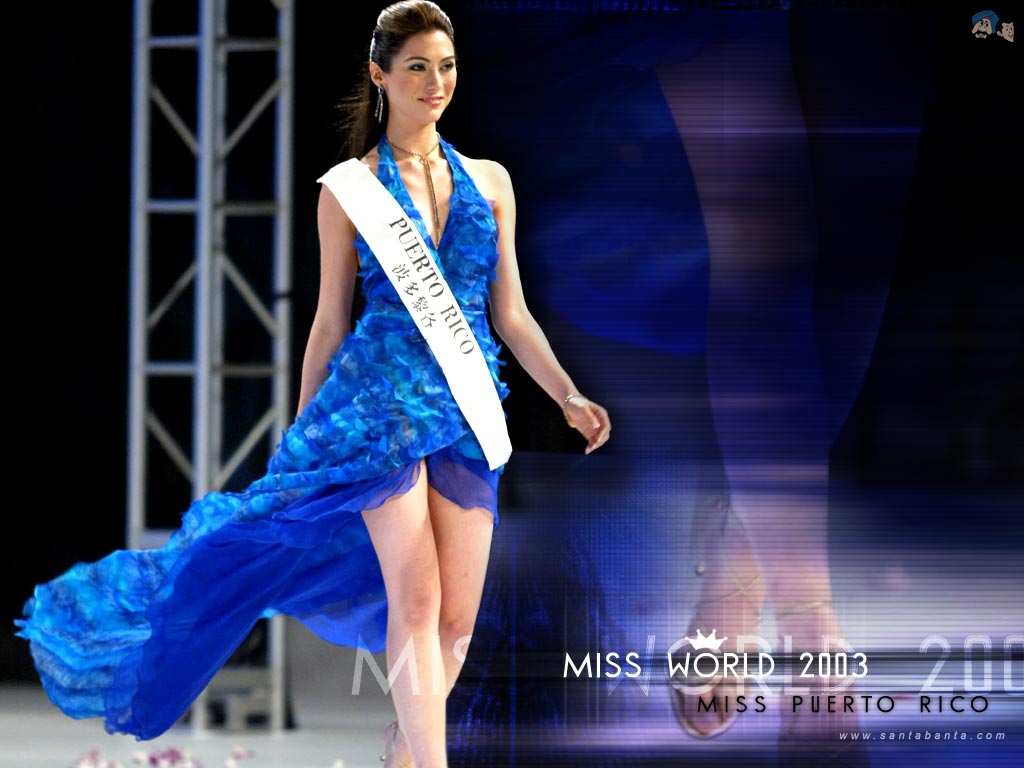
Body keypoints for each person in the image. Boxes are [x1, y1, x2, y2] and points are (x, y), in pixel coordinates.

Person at [14, 3, 610, 767]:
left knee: (458, 622)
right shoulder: (351, 189)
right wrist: (302, 437)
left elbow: (512, 313)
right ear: (380, 75)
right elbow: (328, 324)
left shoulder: (492, 181)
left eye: (447, 66)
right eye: (418, 67)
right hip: (377, 414)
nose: (436, 82)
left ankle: (405, 747)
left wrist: (566, 394)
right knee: (416, 598)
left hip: (466, 411)